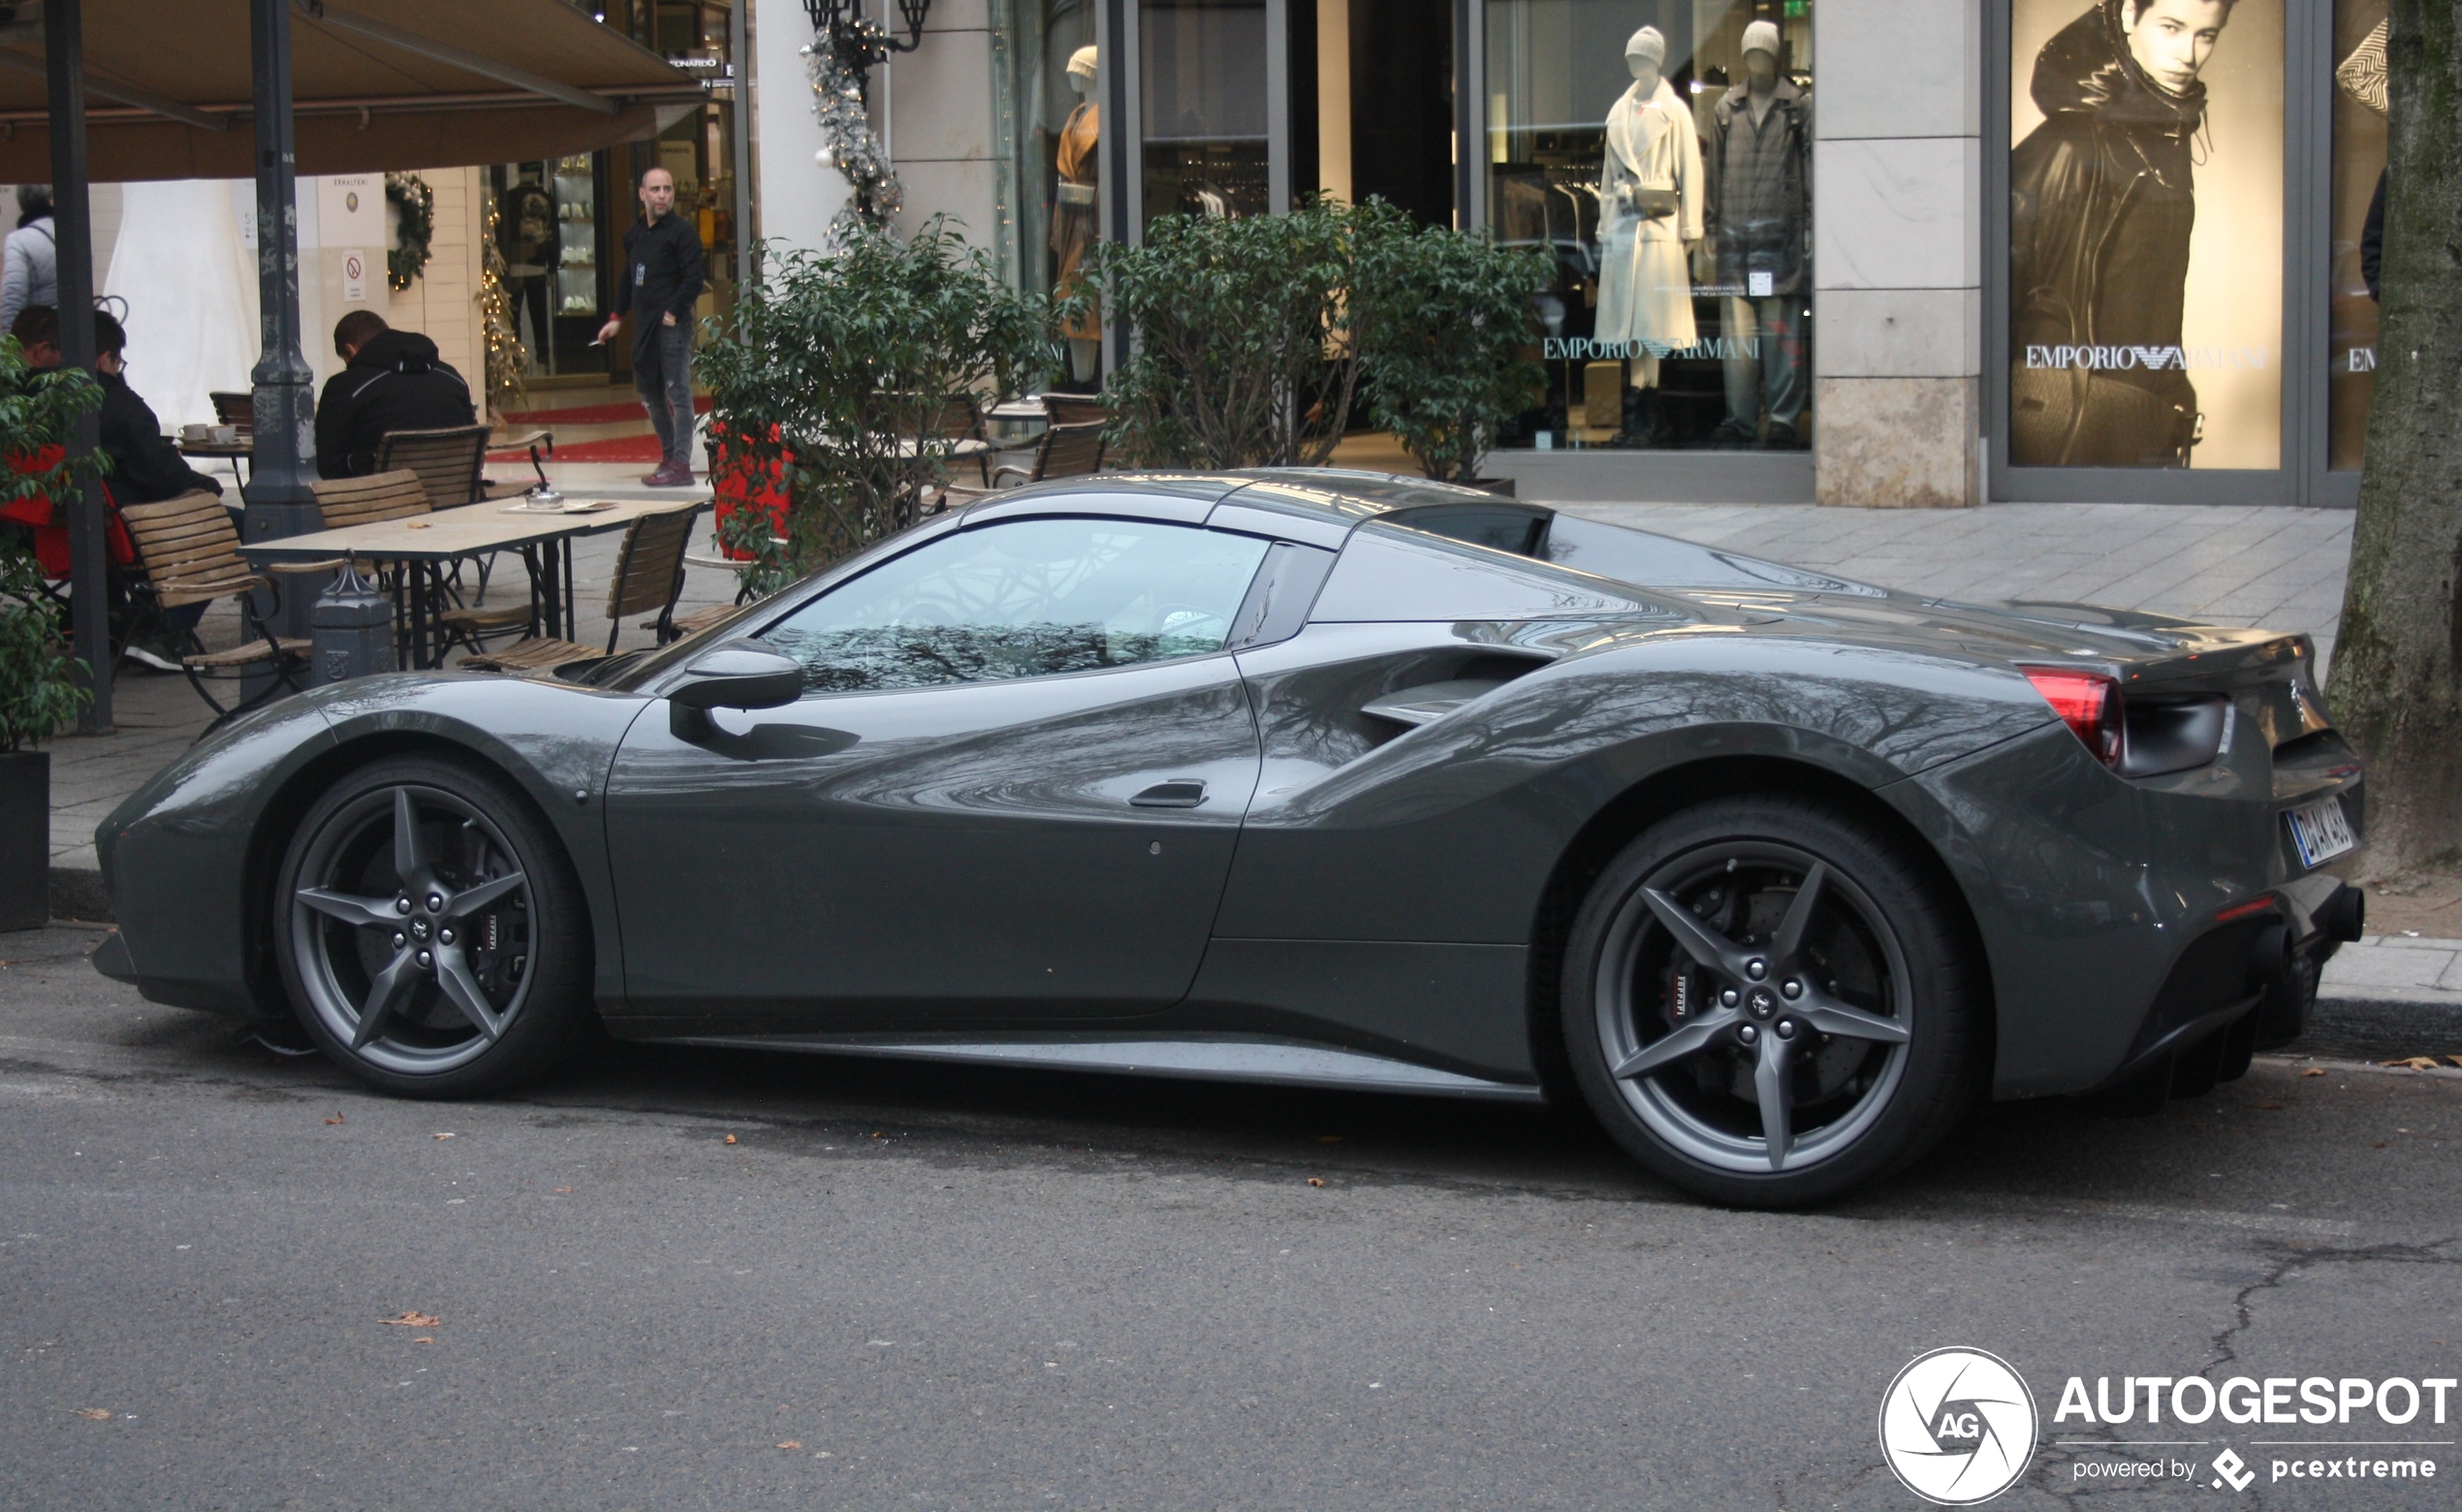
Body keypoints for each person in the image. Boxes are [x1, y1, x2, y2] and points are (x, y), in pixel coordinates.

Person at [2009, 0, 2236, 468]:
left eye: (2206, 35)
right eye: (2171, 28)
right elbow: (2001, 291)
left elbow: (2155, 290)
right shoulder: (2070, 144)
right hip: (2072, 415)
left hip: (2143, 413)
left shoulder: (2164, 137)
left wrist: (2172, 386)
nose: (2188, 55)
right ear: (2129, 16)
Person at [15, 306, 230, 668]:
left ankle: (122, 619)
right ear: (104, 359)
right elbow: (162, 477)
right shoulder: (114, 403)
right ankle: (162, 633)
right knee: (231, 524)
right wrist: (201, 483)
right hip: (116, 538)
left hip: (36, 535)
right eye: (118, 362)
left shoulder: (22, 403)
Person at [598, 167, 705, 488]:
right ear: (642, 194)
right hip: (644, 328)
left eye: (667, 189)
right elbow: (628, 279)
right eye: (656, 189)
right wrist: (616, 317)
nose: (662, 195)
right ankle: (670, 456)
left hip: (672, 326)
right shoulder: (635, 236)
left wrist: (673, 310)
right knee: (650, 394)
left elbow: (694, 279)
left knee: (678, 392)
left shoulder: (682, 234)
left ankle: (682, 463)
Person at [313, 309, 477, 478]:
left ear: (351, 350)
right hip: (454, 495)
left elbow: (328, 464)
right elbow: (471, 440)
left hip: (380, 499)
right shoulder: (451, 377)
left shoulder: (345, 386)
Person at [0, 185, 55, 335]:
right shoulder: (76, 233)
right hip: (77, 332)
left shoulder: (19, 240)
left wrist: (8, 348)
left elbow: (13, 297)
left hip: (41, 337)